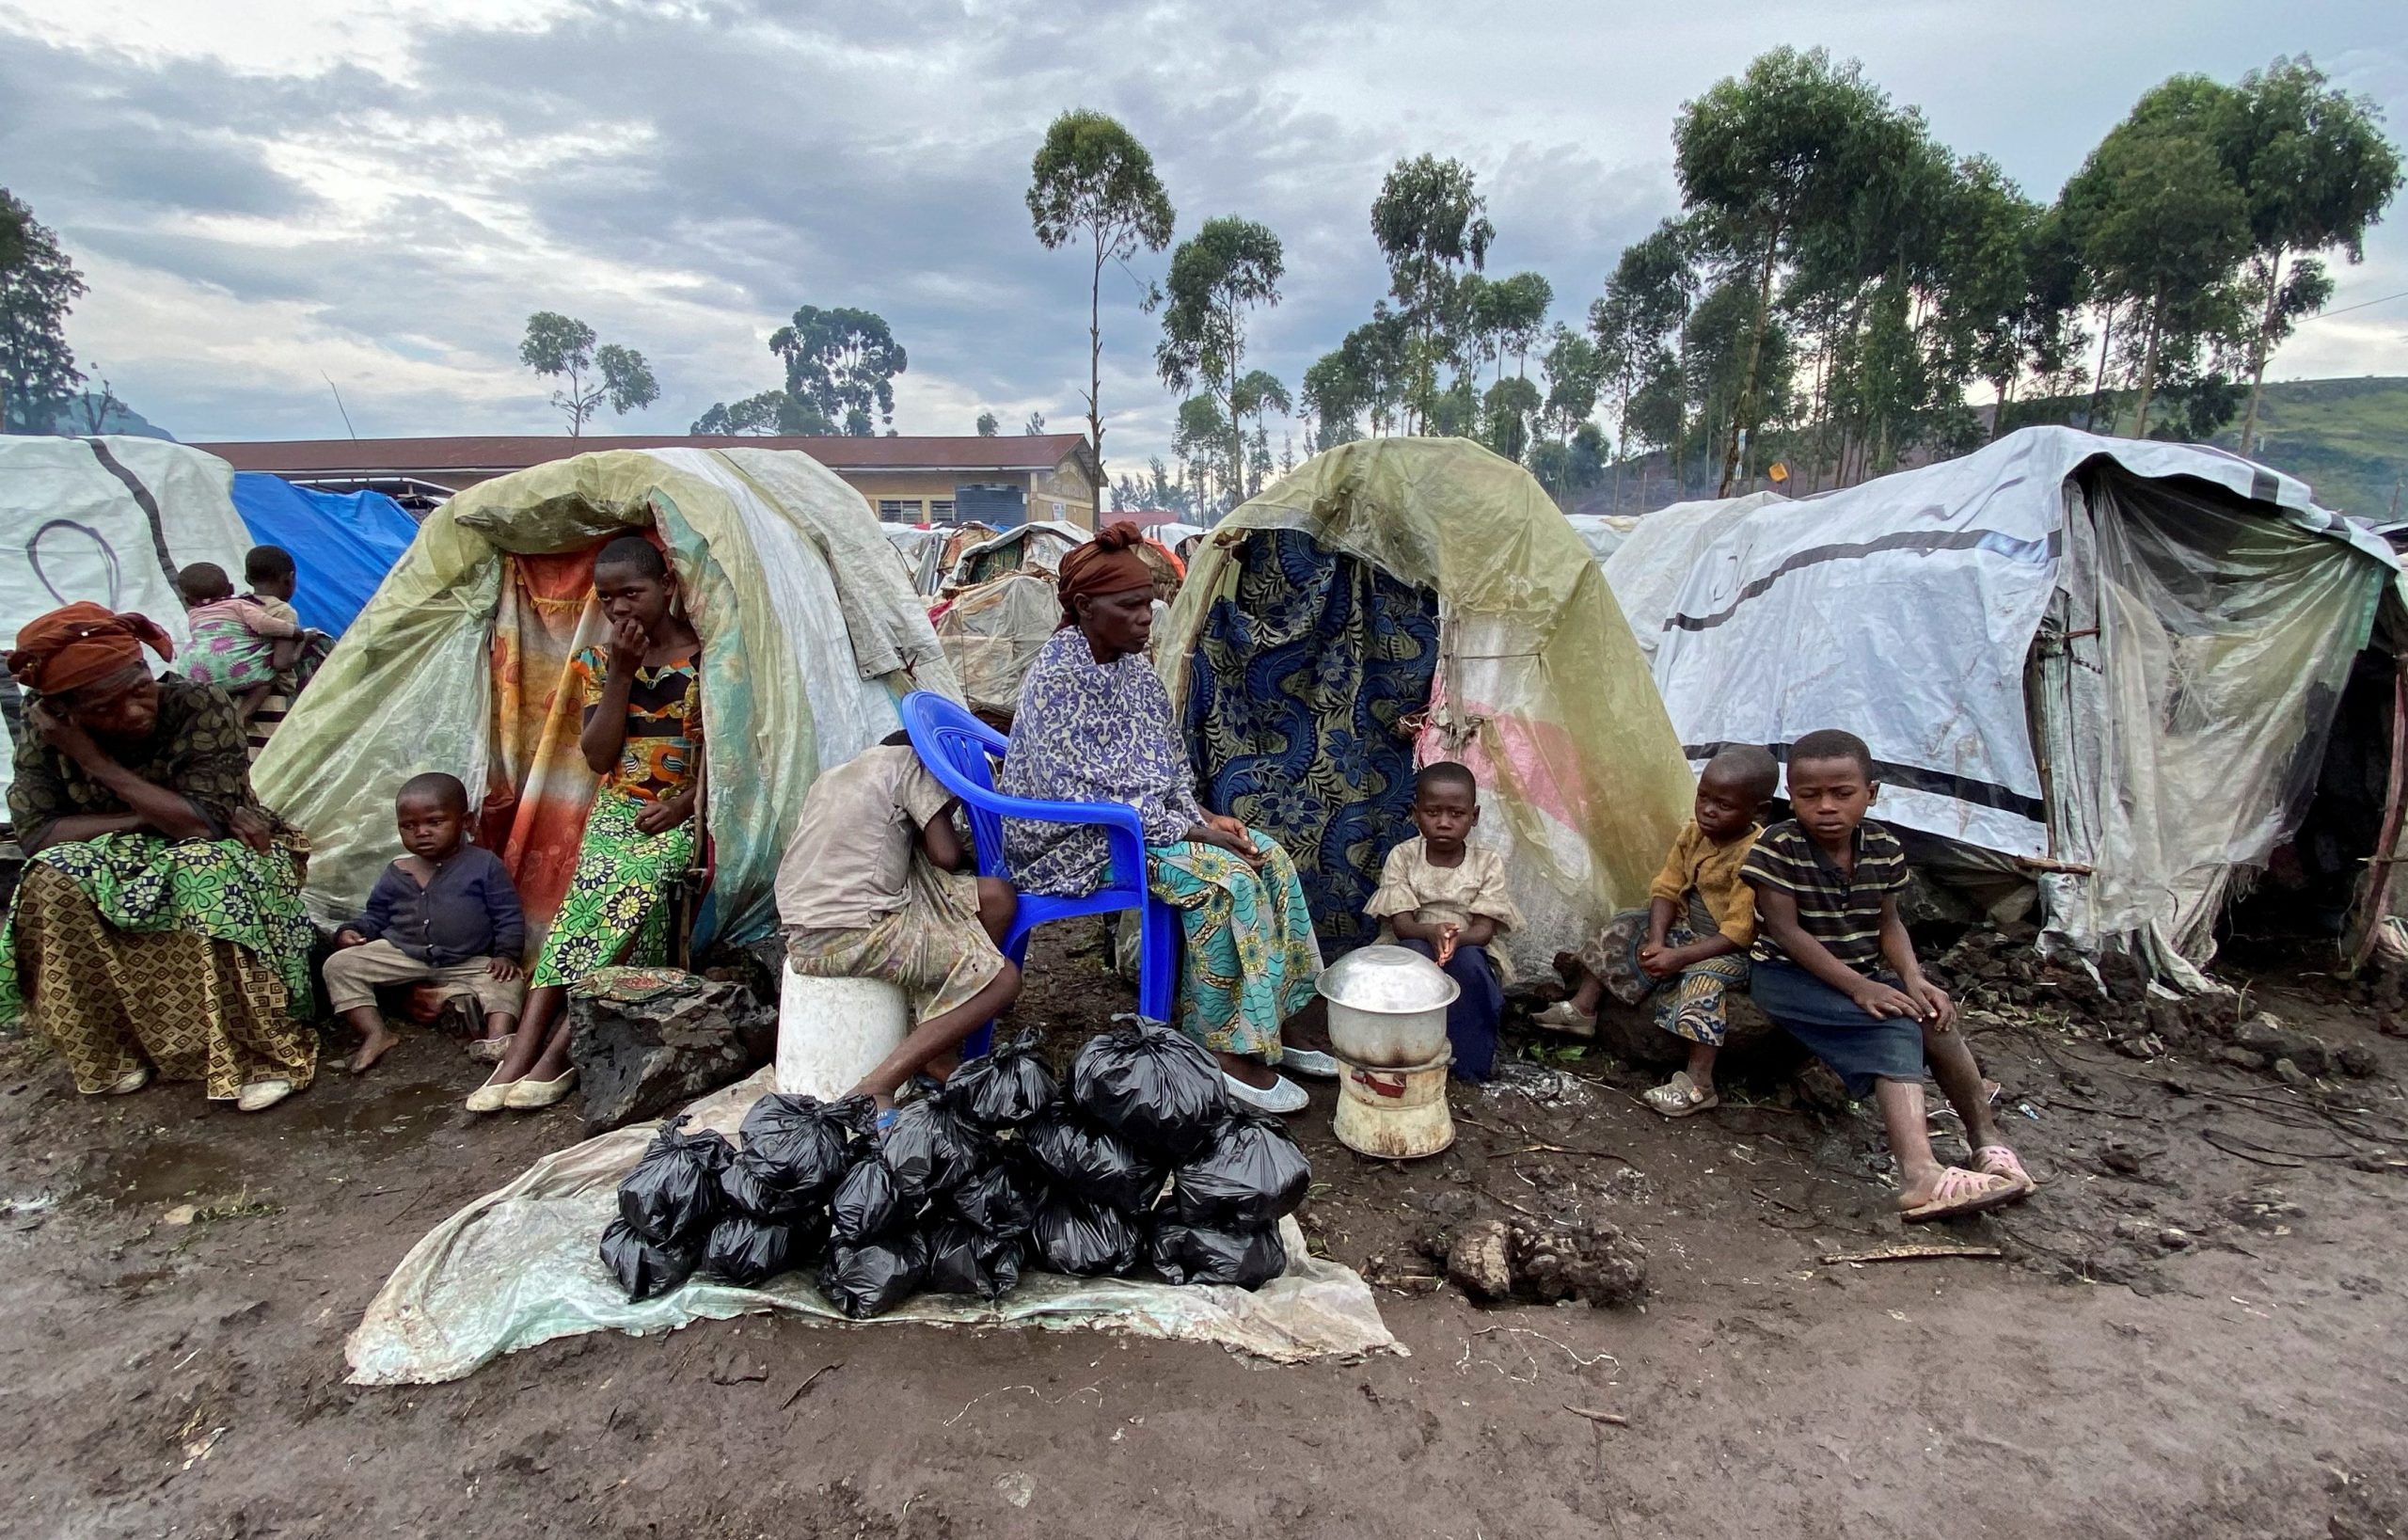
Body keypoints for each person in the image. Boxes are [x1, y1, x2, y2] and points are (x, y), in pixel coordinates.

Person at [1000, 522, 1330, 1115]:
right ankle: (1220, 1050)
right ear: (1083, 607)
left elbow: (1161, 765)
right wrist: (1188, 831)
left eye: (1148, 602)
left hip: (1142, 825)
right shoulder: (1058, 679)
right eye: (1129, 605)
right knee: (1225, 884)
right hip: (1079, 844)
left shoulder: (1131, 669)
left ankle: (1274, 1020)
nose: (1146, 615)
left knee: (1269, 855)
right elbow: (1075, 795)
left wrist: (1206, 814)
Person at [0, 603, 318, 1111]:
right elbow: (39, 834)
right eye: (103, 708)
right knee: (49, 881)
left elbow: (203, 826)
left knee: (202, 870)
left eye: (139, 688)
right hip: (119, 853)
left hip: (233, 847)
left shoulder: (197, 705)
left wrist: (95, 762)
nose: (132, 711)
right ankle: (112, 1053)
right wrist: (149, 815)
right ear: (64, 712)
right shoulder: (48, 732)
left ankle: (256, 1053)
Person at [1742, 729, 2034, 1222]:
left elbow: (1889, 922)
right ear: (1790, 796)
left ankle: (1986, 1142)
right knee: (1894, 1024)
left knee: (1933, 1016)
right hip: (1785, 977)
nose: (1826, 807)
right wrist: (1862, 988)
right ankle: (1919, 1175)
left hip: (1857, 970)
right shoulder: (1778, 848)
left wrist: (1913, 978)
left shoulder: (1882, 846)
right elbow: (1787, 933)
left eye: (1842, 794)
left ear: (1871, 795)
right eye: (1809, 796)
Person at [473, 534, 704, 1114]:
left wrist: (682, 808)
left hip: (680, 815)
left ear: (668, 587)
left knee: (638, 893)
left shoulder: (706, 659)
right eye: (607, 598)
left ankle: (558, 1055)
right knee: (581, 910)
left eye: (634, 592)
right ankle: (520, 1057)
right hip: (618, 812)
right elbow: (600, 757)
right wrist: (623, 671)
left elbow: (726, 756)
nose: (620, 608)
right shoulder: (601, 663)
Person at [778, 731, 1021, 1113]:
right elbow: (945, 855)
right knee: (1002, 980)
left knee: (997, 897)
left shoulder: (834, 775)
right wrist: (941, 813)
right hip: (855, 930)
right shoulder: (912, 765)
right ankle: (880, 1083)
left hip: (806, 925)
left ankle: (941, 1033)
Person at [1535, 745, 1780, 1116]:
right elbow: (1665, 889)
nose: (1708, 810)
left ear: (1758, 810)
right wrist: (1656, 940)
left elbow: (1739, 933)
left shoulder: (1757, 855)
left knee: (1702, 982)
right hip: (1686, 930)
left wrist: (1679, 957)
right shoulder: (1694, 834)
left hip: (1729, 950)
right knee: (1626, 922)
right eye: (1704, 797)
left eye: (1724, 805)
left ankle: (1699, 1082)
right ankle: (1583, 1009)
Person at [325, 772, 527, 1075]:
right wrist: (353, 931)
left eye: (434, 822)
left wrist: (506, 954)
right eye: (409, 826)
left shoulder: (483, 865)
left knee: (508, 981)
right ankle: (375, 1034)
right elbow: (376, 915)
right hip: (405, 954)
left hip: (468, 958)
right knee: (339, 966)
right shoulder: (397, 871)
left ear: (466, 822)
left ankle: (497, 1039)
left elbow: (507, 914)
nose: (422, 832)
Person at [1365, 761, 1521, 1082]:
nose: (1444, 823)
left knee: (1470, 967)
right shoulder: (1404, 856)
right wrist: (1432, 932)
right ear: (1415, 813)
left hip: (1468, 944)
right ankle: (1404, 1057)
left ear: (1473, 816)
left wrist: (1453, 939)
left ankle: (1470, 1063)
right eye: (1433, 813)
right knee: (1414, 961)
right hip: (1413, 938)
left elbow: (1483, 930)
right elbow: (1402, 925)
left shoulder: (1486, 861)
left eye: (1456, 814)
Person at [178, 562, 304, 724]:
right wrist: (294, 632)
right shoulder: (240, 605)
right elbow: (264, 624)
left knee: (221, 682)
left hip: (197, 670)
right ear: (231, 589)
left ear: (188, 600)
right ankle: (241, 716)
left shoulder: (194, 614)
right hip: (234, 666)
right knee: (265, 682)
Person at [240, 545, 331, 758]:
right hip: (273, 700)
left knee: (248, 754)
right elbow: (282, 663)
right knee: (269, 758)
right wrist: (303, 639)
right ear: (289, 579)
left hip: (240, 695)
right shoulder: (282, 611)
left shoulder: (240, 605)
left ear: (247, 578)